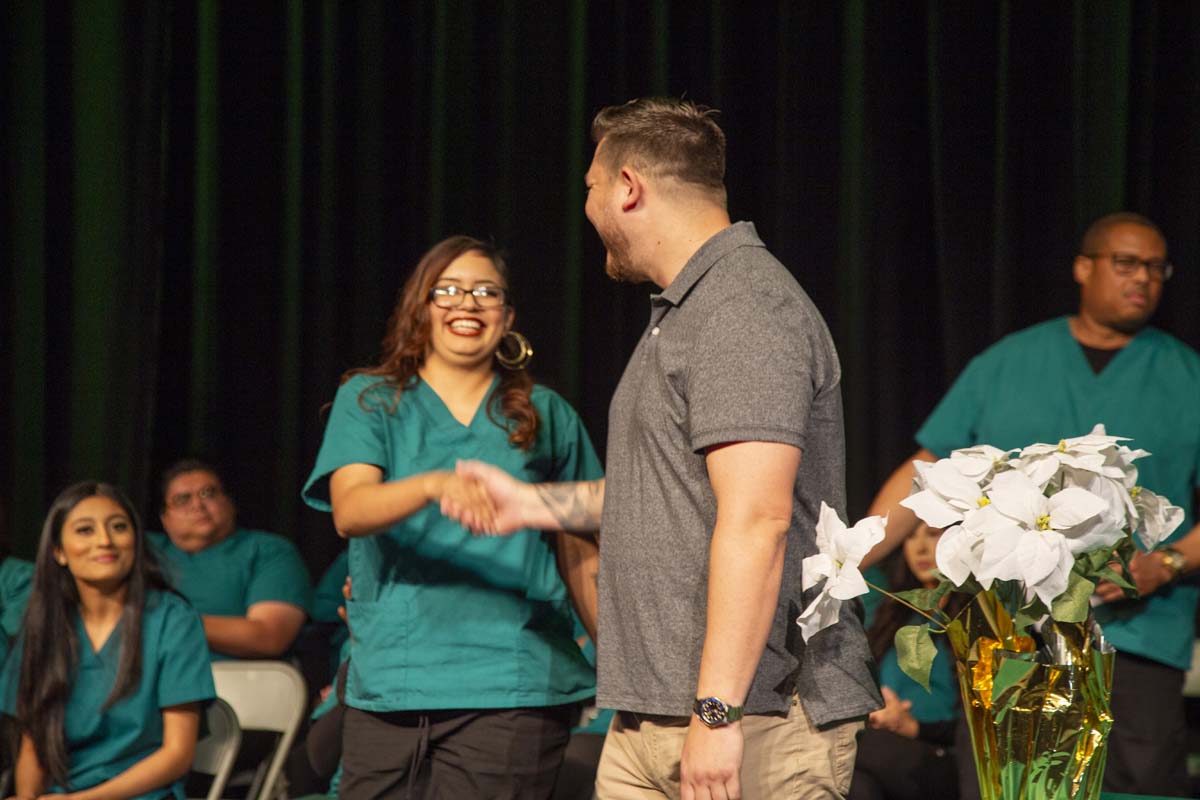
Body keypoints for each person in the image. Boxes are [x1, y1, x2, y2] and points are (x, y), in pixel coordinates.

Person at [448, 98, 881, 800]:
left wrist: (716, 713)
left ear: (628, 187)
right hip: (652, 716)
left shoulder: (744, 307)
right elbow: (667, 491)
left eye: (591, 188)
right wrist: (528, 504)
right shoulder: (687, 311)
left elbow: (759, 519)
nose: (587, 209)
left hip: (752, 718)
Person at [862, 211, 1200, 798]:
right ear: (1083, 267)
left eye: (1156, 268)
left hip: (1133, 639)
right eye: (1126, 263)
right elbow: (927, 473)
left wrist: (1168, 562)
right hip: (1007, 634)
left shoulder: (1186, 375)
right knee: (1000, 784)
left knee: (1130, 787)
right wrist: (851, 557)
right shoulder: (1008, 364)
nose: (1143, 278)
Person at [302, 235, 604, 799]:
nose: (467, 302)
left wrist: (622, 665)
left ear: (507, 317)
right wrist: (434, 484)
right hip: (391, 682)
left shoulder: (546, 414)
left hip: (511, 685)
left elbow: (580, 550)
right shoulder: (370, 400)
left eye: (486, 292)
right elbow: (351, 510)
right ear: (420, 307)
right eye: (448, 290)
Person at [1, 482, 215, 800]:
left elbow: (177, 755)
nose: (104, 540)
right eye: (85, 530)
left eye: (118, 527)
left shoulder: (173, 619)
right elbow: (34, 747)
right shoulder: (43, 626)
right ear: (59, 551)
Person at [150, 458, 312, 660]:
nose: (197, 505)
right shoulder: (144, 550)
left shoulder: (267, 551)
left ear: (230, 503)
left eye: (208, 493)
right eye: (182, 499)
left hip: (239, 676)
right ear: (164, 518)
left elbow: (269, 637)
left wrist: (164, 623)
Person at [849, 524, 959, 800]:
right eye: (909, 536)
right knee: (858, 786)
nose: (920, 548)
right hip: (885, 747)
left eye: (932, 534)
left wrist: (912, 727)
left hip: (948, 753)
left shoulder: (977, 615)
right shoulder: (889, 611)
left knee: (855, 749)